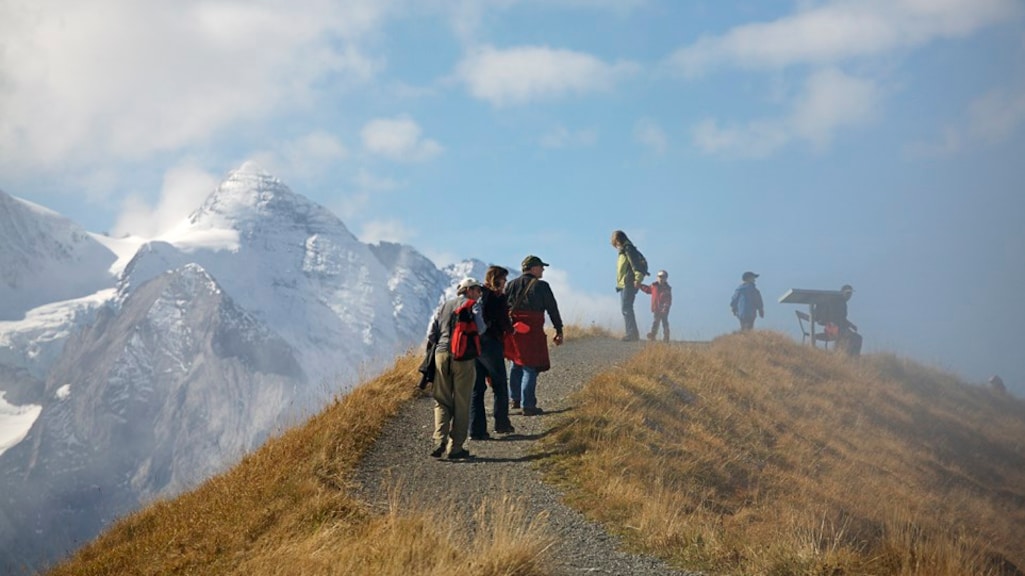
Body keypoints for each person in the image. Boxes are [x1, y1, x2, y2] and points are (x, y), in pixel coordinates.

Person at [424, 277, 486, 459]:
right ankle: (456, 447)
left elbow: (431, 333)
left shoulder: (444, 306)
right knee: (462, 401)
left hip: (441, 355)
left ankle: (439, 439)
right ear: (469, 290)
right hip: (463, 357)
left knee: (441, 400)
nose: (479, 294)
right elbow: (481, 328)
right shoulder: (473, 305)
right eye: (477, 290)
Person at [505, 255, 564, 416]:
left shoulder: (510, 285)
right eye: (540, 266)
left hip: (514, 330)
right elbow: (552, 309)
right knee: (530, 366)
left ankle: (515, 399)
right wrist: (559, 330)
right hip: (533, 331)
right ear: (533, 268)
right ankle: (528, 404)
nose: (543, 269)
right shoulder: (542, 286)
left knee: (516, 363)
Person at [469, 265, 516, 439]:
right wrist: (512, 330)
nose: (505, 282)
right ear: (497, 279)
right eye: (504, 279)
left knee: (477, 388)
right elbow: (503, 321)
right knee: (500, 384)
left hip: (474, 344)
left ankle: (476, 430)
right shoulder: (498, 297)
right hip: (491, 343)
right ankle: (502, 424)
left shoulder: (478, 294)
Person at [611, 230, 645, 341]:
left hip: (628, 283)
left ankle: (632, 334)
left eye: (615, 243)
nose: (616, 246)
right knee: (626, 307)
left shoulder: (628, 249)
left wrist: (638, 279)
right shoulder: (624, 250)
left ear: (618, 240)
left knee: (626, 307)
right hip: (624, 284)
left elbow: (636, 265)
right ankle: (632, 333)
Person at [813, 284, 862, 356]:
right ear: (842, 292)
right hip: (832, 329)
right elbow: (834, 318)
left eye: (850, 293)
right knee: (854, 338)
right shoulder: (836, 301)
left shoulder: (842, 302)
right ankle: (844, 355)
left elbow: (842, 318)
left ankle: (852, 357)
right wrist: (846, 325)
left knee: (857, 338)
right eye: (847, 293)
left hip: (837, 328)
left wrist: (851, 324)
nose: (849, 295)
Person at [640, 269, 673, 342]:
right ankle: (653, 336)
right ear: (657, 277)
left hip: (664, 309)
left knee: (665, 323)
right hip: (656, 308)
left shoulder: (667, 288)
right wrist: (640, 285)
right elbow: (647, 289)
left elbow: (668, 300)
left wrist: (665, 308)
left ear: (666, 278)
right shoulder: (654, 286)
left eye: (663, 277)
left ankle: (666, 338)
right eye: (659, 276)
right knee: (656, 322)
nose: (661, 278)